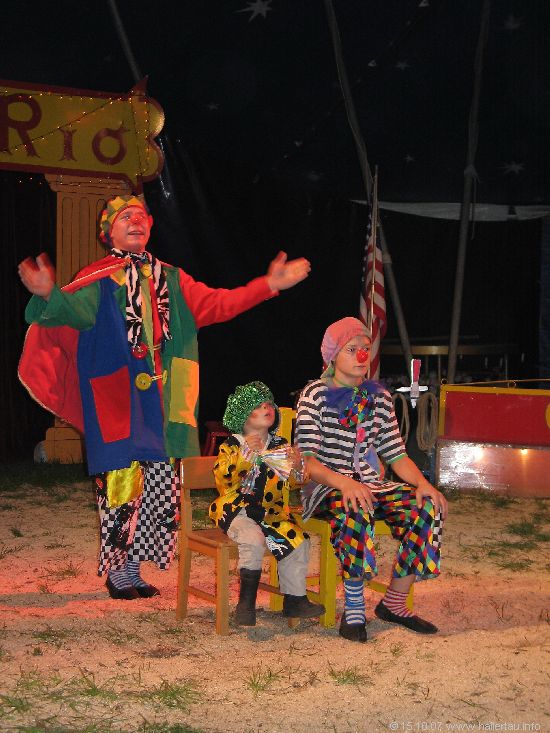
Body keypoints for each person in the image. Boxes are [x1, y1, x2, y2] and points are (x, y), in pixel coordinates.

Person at [18, 194, 310, 601]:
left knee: (158, 485)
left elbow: (220, 303)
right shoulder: (98, 279)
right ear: (108, 232)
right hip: (118, 397)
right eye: (125, 217)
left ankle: (135, 569)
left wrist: (269, 285)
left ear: (151, 226)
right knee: (121, 483)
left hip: (164, 400)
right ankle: (118, 570)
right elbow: (72, 313)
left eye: (141, 215)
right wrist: (49, 294)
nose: (135, 221)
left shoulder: (172, 279)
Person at [295, 317, 447, 642]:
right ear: (333, 355)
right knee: (355, 504)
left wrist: (423, 485)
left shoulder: (379, 398)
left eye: (365, 348)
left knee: (425, 507)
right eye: (352, 349)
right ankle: (354, 608)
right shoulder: (315, 394)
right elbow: (307, 462)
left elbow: (397, 455)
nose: (361, 355)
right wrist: (345, 483)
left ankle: (394, 603)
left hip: (371, 486)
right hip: (326, 488)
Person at [209, 381, 325, 625]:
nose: (267, 408)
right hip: (237, 512)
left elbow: (292, 483)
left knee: (298, 540)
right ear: (243, 415)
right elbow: (223, 478)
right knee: (253, 539)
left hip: (271, 514)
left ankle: (295, 599)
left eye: (269, 404)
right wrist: (245, 457)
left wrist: (298, 468)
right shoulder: (232, 445)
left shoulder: (279, 445)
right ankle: (246, 603)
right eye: (258, 406)